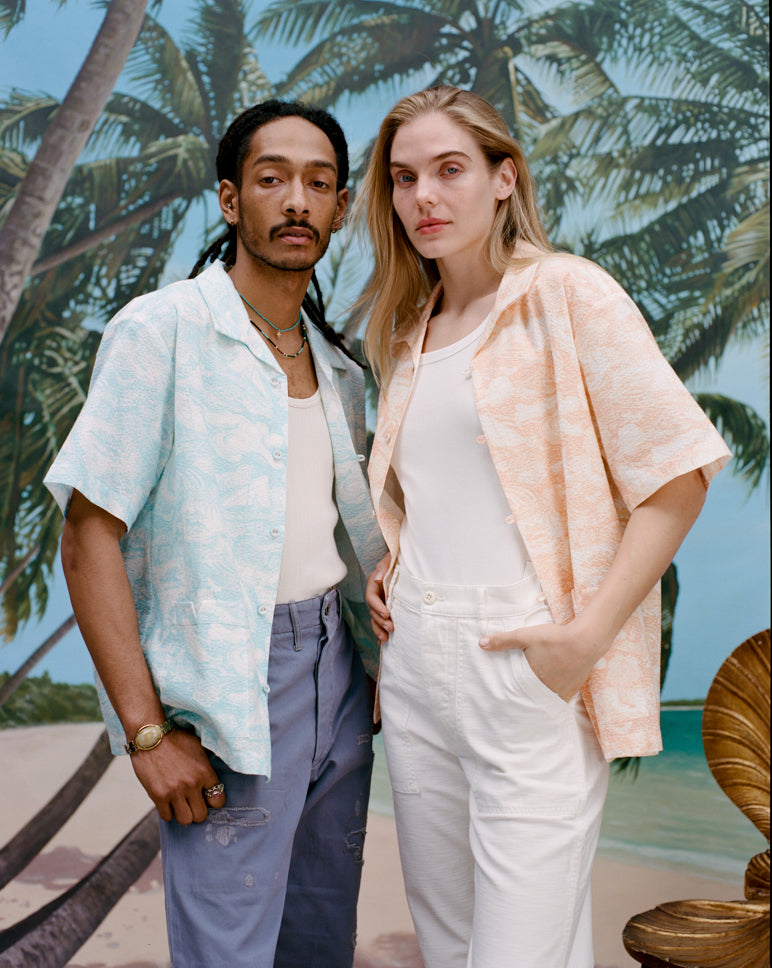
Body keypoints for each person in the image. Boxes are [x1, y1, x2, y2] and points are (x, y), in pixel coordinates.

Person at [358, 86, 731, 968]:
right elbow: (444, 490)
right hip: (414, 665)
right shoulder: (409, 330)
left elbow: (676, 476)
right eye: (405, 178)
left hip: (525, 657)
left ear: (503, 179)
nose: (424, 197)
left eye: (451, 170)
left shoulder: (567, 293)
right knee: (450, 949)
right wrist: (395, 561)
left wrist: (583, 638)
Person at [44, 99, 386, 968]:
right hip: (233, 686)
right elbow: (88, 538)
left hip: (339, 677)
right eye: (273, 180)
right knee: (228, 954)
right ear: (233, 201)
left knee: (319, 943)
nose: (297, 201)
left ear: (342, 208)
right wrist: (148, 732)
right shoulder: (160, 332)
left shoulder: (341, 368)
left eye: (319, 184)